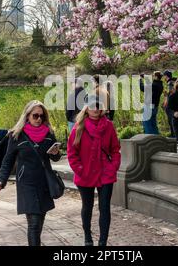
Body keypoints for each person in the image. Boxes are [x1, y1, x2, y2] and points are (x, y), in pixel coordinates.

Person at [0, 100, 61, 246]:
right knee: (33, 223)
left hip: (44, 181)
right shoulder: (16, 135)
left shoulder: (49, 134)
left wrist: (56, 153)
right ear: (27, 116)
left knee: (39, 223)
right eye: (35, 116)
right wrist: (1, 179)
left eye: (42, 116)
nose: (39, 119)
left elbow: (55, 158)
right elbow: (8, 160)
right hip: (26, 183)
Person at [67, 94, 121, 246]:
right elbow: (72, 152)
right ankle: (87, 236)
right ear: (86, 108)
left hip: (105, 172)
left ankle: (103, 242)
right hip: (86, 172)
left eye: (98, 105)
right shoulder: (79, 127)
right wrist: (80, 169)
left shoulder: (108, 125)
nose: (95, 109)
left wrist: (113, 166)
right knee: (87, 206)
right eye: (92, 106)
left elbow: (115, 149)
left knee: (104, 207)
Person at [162, 70, 177, 137]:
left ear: (166, 76)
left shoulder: (170, 83)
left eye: (164, 76)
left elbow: (170, 94)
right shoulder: (174, 81)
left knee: (171, 120)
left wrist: (165, 103)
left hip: (170, 105)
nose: (163, 77)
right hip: (174, 104)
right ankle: (175, 135)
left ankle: (174, 136)